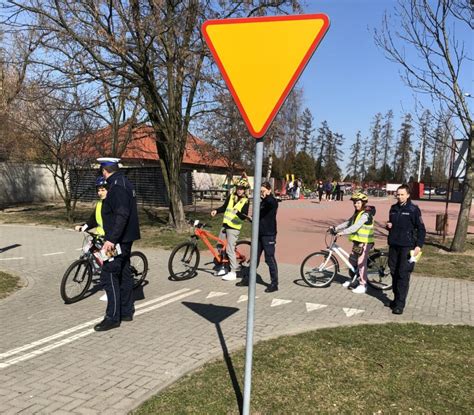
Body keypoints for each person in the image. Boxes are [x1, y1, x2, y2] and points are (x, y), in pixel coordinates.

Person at [93, 157, 141, 332]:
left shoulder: (117, 186)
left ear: (105, 170)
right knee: (124, 272)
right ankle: (127, 311)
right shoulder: (124, 182)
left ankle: (112, 317)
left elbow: (121, 214)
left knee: (109, 274)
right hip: (124, 238)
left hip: (118, 239)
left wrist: (111, 240)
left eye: (101, 171)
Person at [386, 184, 426, 315]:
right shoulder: (393, 208)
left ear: (408, 195)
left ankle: (400, 304)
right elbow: (393, 224)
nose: (399, 196)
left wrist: (418, 246)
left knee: (403, 274)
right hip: (394, 245)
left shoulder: (413, 209)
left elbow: (421, 229)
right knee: (393, 272)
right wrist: (389, 226)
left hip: (407, 247)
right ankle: (396, 298)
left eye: (402, 194)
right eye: (398, 194)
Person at [237, 181, 279, 292]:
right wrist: (249, 218)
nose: (261, 193)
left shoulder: (272, 201)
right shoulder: (261, 202)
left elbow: (270, 202)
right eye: (260, 191)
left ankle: (274, 284)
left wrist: (266, 196)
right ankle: (247, 279)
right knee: (254, 258)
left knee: (269, 258)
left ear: (269, 190)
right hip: (258, 234)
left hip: (268, 235)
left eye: (263, 191)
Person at [332, 191, 375, 294]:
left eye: (358, 202)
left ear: (363, 203)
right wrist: (336, 228)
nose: (356, 204)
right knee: (352, 261)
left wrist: (342, 233)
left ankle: (363, 285)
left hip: (364, 242)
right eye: (355, 203)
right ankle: (354, 279)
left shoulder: (366, 214)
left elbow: (356, 226)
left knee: (361, 263)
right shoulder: (357, 213)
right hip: (357, 242)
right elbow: (348, 222)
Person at [211, 178, 250, 281]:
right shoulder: (231, 196)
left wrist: (238, 212)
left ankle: (233, 272)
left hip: (234, 228)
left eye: (242, 189)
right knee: (220, 246)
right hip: (225, 225)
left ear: (245, 190)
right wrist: (216, 210)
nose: (239, 190)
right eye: (238, 188)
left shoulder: (245, 201)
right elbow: (224, 207)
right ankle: (224, 266)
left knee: (229, 249)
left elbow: (243, 217)